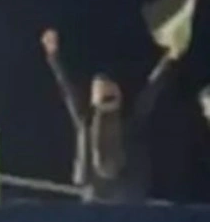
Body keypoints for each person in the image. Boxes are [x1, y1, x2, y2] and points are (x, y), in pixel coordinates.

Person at [40, 29, 174, 203]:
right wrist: (53, 56)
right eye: (101, 89)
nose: (106, 90)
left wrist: (169, 59)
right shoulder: (86, 121)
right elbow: (67, 89)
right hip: (97, 197)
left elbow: (151, 90)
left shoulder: (130, 123)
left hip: (127, 195)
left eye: (109, 88)